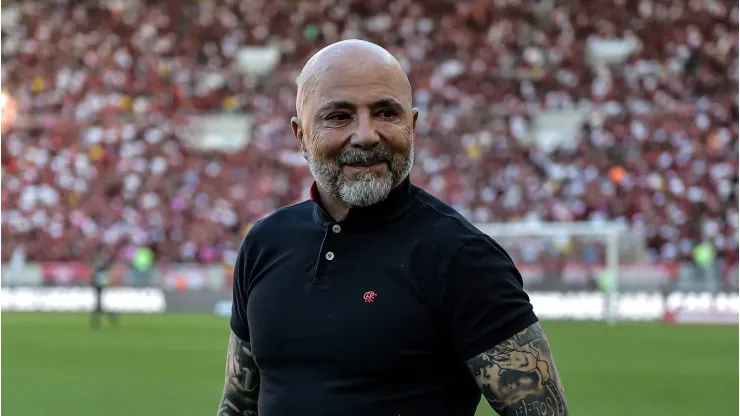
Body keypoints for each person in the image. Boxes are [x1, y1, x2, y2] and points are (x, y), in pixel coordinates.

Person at [217, 39, 569, 416]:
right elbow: (238, 406)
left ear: (412, 125)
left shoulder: (462, 258)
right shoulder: (265, 243)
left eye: (386, 113)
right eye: (339, 116)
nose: (367, 134)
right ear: (300, 135)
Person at [90, 246, 118, 329]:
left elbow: (100, 272)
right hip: (98, 284)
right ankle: (110, 315)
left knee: (98, 304)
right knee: (99, 304)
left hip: (100, 284)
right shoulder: (101, 263)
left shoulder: (101, 264)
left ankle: (96, 320)